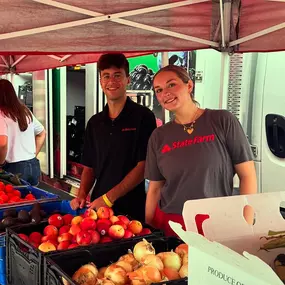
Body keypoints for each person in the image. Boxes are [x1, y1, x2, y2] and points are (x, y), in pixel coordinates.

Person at [145, 65, 257, 236]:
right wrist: (149, 225)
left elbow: (247, 175)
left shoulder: (222, 120)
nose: (165, 93)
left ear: (189, 85)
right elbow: (155, 188)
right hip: (173, 225)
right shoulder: (158, 136)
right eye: (159, 90)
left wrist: (246, 224)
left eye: (171, 84)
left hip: (216, 222)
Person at [70, 53, 157, 221]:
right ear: (101, 81)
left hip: (131, 209)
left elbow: (144, 166)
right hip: (97, 209)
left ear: (128, 79)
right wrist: (81, 195)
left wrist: (108, 198)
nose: (112, 81)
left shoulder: (143, 117)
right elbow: (89, 167)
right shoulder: (95, 123)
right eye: (106, 76)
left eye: (118, 75)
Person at [0, 79, 46, 186]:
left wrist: (1, 163)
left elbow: (2, 143)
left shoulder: (1, 114)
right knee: (32, 198)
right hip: (33, 165)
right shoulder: (25, 111)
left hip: (14, 168)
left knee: (15, 200)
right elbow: (42, 133)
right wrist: (33, 154)